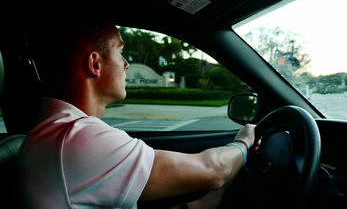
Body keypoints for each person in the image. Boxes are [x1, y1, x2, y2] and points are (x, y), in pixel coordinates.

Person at [19, 16, 259, 209]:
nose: (126, 64)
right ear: (95, 64)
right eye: (119, 52)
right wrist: (244, 142)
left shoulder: (52, 132)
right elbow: (213, 169)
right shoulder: (77, 139)